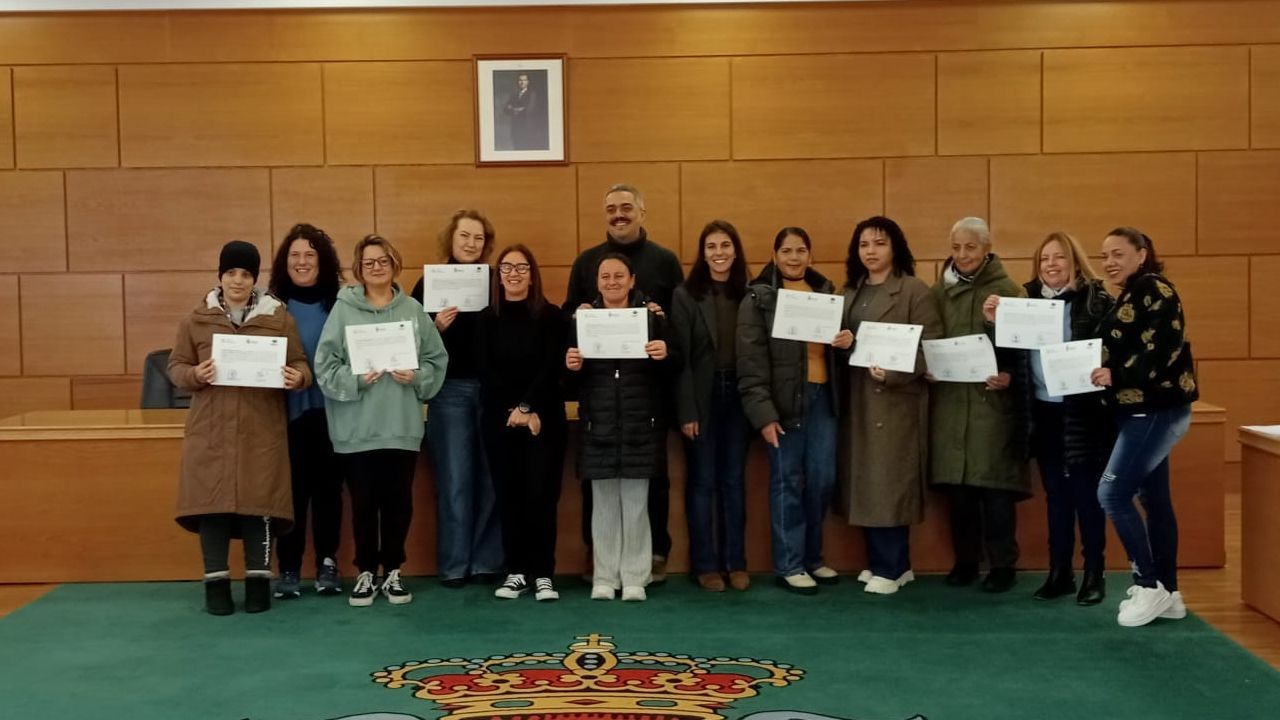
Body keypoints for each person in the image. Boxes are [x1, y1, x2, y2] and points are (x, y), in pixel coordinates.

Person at [169, 240, 311, 616]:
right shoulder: (195, 319)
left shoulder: (279, 317)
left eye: (245, 273)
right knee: (210, 506)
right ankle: (215, 585)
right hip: (211, 430)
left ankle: (258, 583)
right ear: (220, 276)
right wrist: (195, 374)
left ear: (255, 278)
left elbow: (300, 364)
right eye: (230, 272)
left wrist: (297, 378)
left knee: (258, 506)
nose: (237, 280)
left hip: (261, 428)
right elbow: (176, 368)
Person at [982, 231, 1115, 606]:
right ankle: (1060, 572)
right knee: (1056, 496)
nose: (1051, 265)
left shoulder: (1096, 300)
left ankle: (1095, 573)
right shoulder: (1023, 300)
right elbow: (1008, 355)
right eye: (1044, 259)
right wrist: (994, 322)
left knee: (1087, 496)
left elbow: (1115, 347)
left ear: (1074, 261)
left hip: (1084, 413)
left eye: (1059, 258)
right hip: (1043, 411)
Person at [315, 234, 448, 608]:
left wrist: (417, 377)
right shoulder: (343, 311)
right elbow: (325, 367)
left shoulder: (413, 311)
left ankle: (392, 570)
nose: (377, 267)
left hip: (401, 425)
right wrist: (357, 380)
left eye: (383, 261)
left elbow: (436, 360)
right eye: (369, 262)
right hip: (358, 427)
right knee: (362, 502)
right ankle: (364, 572)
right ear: (359, 269)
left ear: (394, 265)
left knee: (398, 502)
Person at [565, 184, 684, 583]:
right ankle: (599, 558)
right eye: (612, 208)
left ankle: (653, 556)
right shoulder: (586, 262)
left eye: (627, 207)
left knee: (652, 480)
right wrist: (578, 315)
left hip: (648, 396)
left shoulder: (665, 261)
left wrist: (661, 325)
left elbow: (677, 327)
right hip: (600, 397)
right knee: (597, 486)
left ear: (642, 212)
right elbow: (569, 317)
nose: (619, 214)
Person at [1089, 227, 1199, 627]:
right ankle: (1168, 593)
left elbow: (1161, 350)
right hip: (1144, 411)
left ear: (1142, 254)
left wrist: (1113, 374)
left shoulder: (1155, 290)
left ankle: (1148, 582)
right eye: (1104, 256)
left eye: (1118, 253)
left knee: (1112, 493)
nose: (1110, 262)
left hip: (1154, 411)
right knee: (1154, 501)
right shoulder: (1133, 293)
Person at [834, 216, 942, 595]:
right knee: (864, 484)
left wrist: (894, 374)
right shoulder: (850, 292)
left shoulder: (914, 290)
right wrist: (843, 342)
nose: (871, 251)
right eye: (864, 244)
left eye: (879, 243)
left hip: (894, 402)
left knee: (888, 485)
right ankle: (888, 563)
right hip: (858, 400)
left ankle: (891, 566)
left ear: (895, 247)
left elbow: (930, 350)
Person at [737, 227, 841, 595]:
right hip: (783, 406)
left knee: (823, 480)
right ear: (774, 255)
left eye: (801, 250)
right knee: (787, 483)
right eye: (786, 251)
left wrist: (844, 341)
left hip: (823, 399)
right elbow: (750, 364)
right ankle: (790, 564)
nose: (794, 257)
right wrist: (764, 415)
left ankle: (813, 557)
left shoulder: (827, 293)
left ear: (810, 256)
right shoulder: (759, 298)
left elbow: (837, 349)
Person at [930, 217, 1030, 593]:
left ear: (987, 248)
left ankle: (1004, 565)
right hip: (951, 405)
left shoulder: (1009, 291)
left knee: (995, 491)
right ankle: (965, 562)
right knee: (959, 493)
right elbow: (927, 337)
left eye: (970, 247)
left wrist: (1009, 376)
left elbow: (1025, 352)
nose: (962, 255)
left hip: (992, 408)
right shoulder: (937, 291)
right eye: (956, 247)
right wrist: (928, 366)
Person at [410, 210, 503, 589]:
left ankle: (486, 562)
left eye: (478, 238)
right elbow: (408, 344)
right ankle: (453, 565)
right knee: (454, 480)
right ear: (451, 238)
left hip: (494, 390)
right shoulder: (429, 283)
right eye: (464, 236)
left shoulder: (496, 282)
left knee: (492, 479)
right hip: (449, 391)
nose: (470, 243)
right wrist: (435, 329)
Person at [478, 244, 568, 602]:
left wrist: (529, 408)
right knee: (509, 495)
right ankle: (516, 571)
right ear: (499, 276)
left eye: (521, 267)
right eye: (506, 268)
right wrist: (514, 411)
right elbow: (485, 369)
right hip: (500, 420)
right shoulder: (487, 318)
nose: (513, 274)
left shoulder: (551, 315)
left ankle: (544, 572)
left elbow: (552, 368)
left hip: (544, 420)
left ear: (532, 275)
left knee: (542, 496)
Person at [671, 220, 753, 592]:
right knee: (703, 482)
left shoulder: (751, 294)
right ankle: (705, 565)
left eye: (725, 246)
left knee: (733, 482)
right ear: (702, 254)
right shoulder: (686, 295)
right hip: (702, 397)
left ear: (735, 251)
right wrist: (687, 411)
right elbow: (682, 359)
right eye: (711, 247)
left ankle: (735, 562)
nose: (718, 253)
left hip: (740, 395)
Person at [267, 223, 346, 600]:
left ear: (323, 261)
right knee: (291, 494)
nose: (301, 262)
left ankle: (328, 563)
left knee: (329, 492)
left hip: (333, 414)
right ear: (285, 262)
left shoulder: (342, 303)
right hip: (287, 415)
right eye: (295, 255)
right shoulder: (270, 306)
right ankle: (289, 568)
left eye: (309, 255)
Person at [503, 72, 544, 150]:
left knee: (525, 148)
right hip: (515, 128)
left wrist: (513, 108)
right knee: (516, 148)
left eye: (524, 80)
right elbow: (505, 110)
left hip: (526, 128)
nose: (522, 82)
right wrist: (517, 109)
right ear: (518, 82)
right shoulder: (514, 95)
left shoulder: (532, 94)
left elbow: (529, 110)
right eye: (520, 80)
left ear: (528, 82)